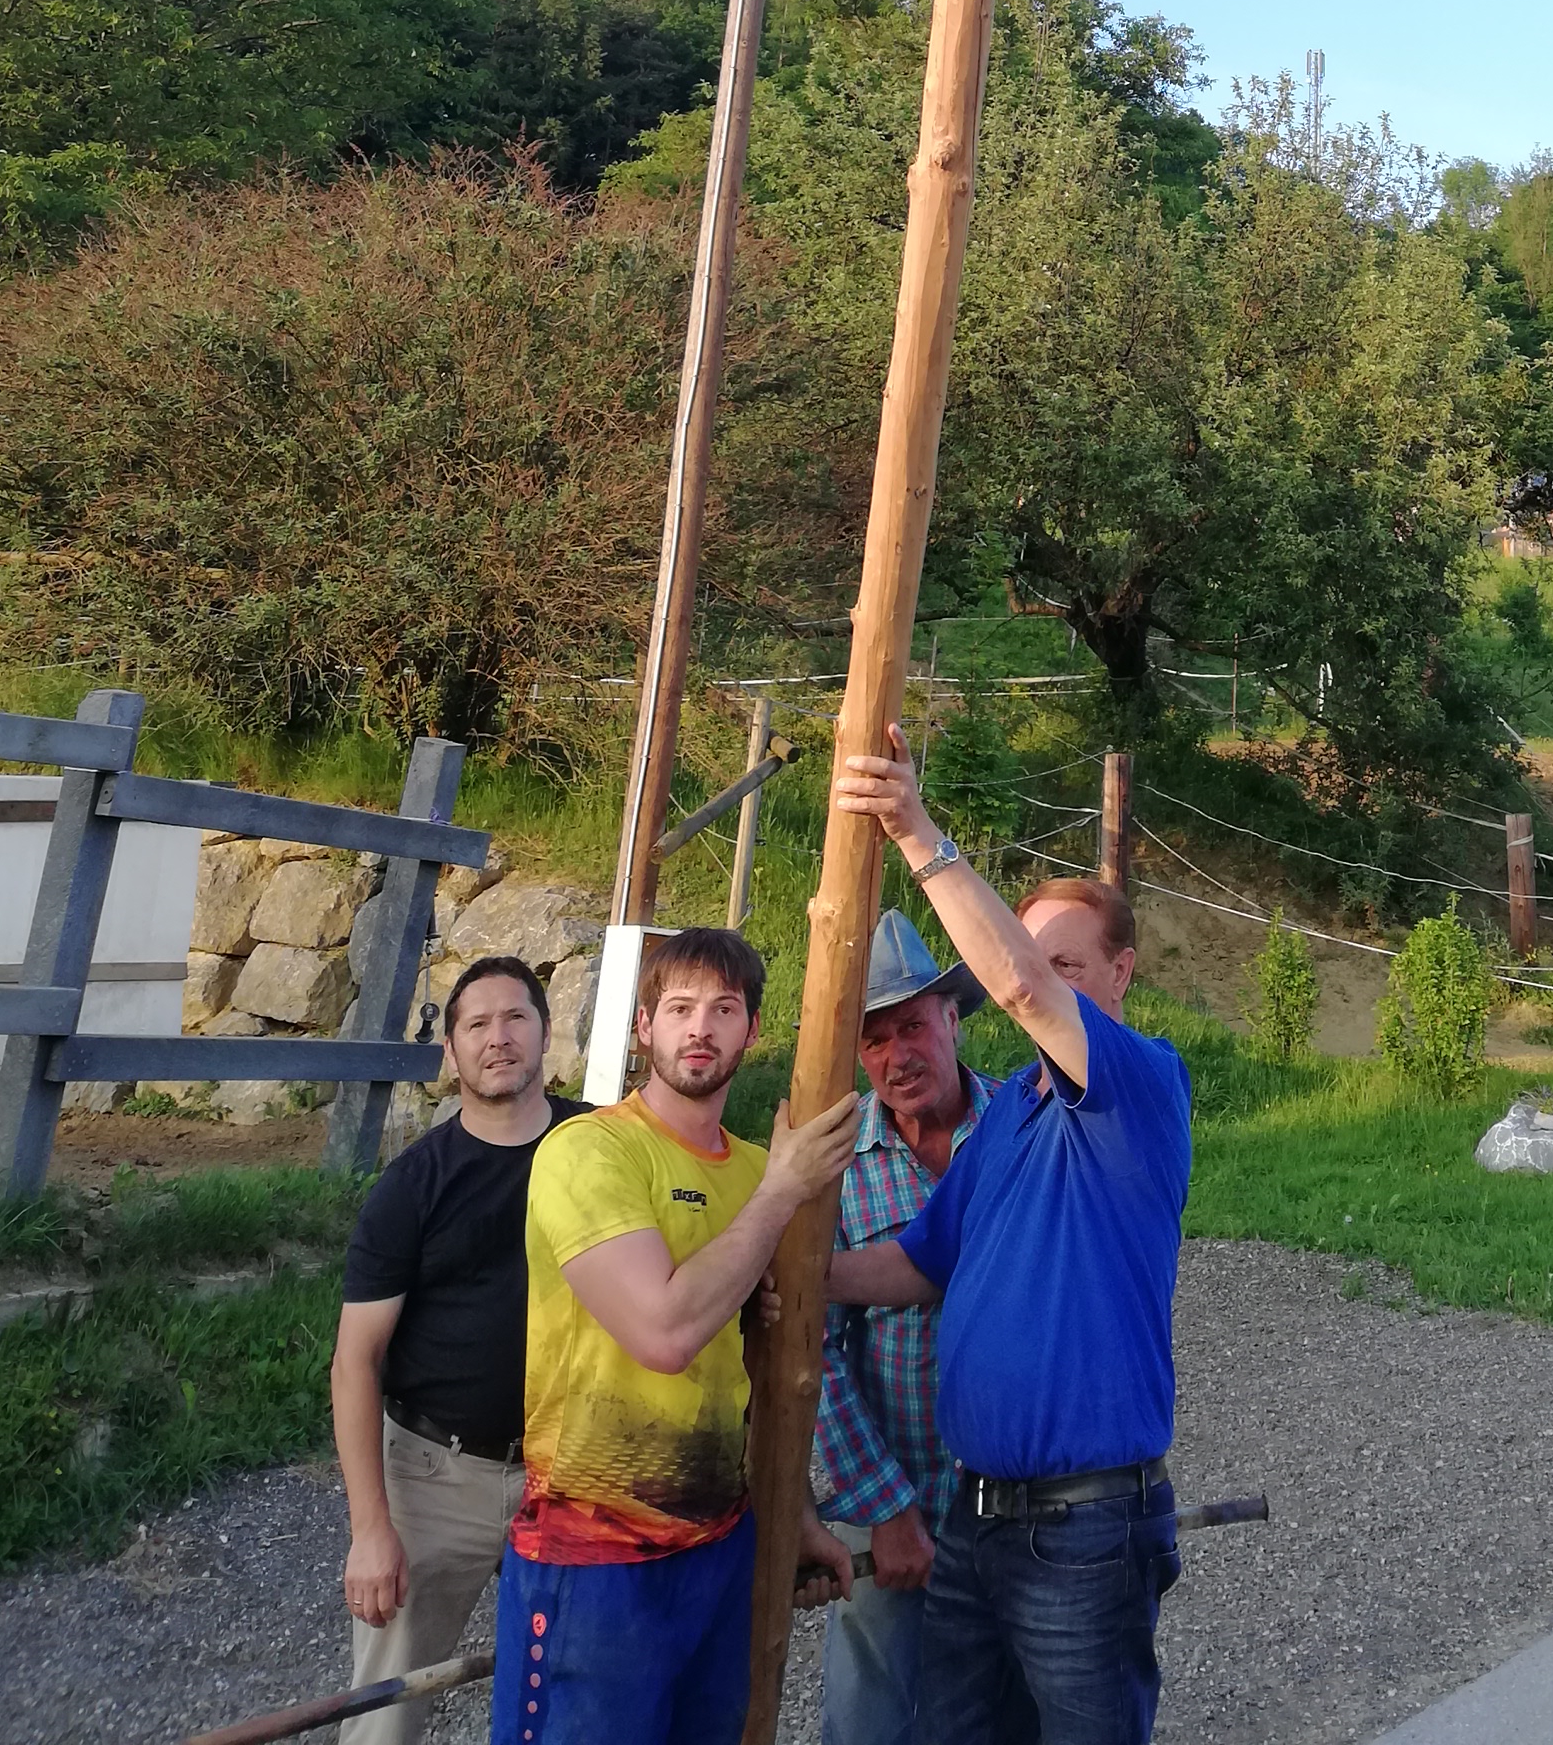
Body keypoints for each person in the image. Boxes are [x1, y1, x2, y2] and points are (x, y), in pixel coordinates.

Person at [830, 728, 1193, 1745]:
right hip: (975, 1520)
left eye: (1067, 961)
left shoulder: (1138, 1083)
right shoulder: (1006, 1122)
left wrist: (914, 828)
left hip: (1083, 1529)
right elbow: (914, 1264)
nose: (1042, 979)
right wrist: (788, 1268)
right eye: (1036, 955)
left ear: (1120, 973)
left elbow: (1024, 989)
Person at [498, 922, 862, 1745]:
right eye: (680, 1008)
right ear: (644, 1027)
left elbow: (769, 1368)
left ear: (753, 1031)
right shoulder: (589, 1152)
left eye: (724, 1009)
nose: (701, 1028)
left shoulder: (759, 1170)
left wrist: (795, 1514)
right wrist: (782, 1195)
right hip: (593, 1553)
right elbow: (663, 1333)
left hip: (719, 1546)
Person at [332, 954, 579, 1745]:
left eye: (515, 1018)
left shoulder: (602, 1148)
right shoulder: (412, 1186)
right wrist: (371, 1529)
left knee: (585, 1692)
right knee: (384, 1715)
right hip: (438, 1474)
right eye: (476, 1024)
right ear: (452, 1051)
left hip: (575, 1467)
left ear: (546, 1033)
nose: (498, 1038)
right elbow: (355, 1361)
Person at [812, 908, 996, 1745]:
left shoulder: (1020, 1130)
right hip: (893, 1488)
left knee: (996, 1707)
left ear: (953, 1018)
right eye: (875, 1040)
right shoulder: (833, 1164)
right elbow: (814, 1348)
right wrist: (885, 1507)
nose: (897, 1057)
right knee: (871, 1714)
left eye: (913, 1027)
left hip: (1017, 1502)